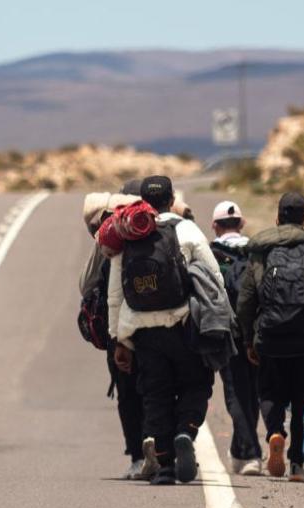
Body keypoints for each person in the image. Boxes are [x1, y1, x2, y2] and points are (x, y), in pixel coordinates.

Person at [107, 175, 222, 485]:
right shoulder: (186, 230)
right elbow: (214, 278)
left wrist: (119, 340)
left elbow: (115, 294)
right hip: (184, 327)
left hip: (144, 332)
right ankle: (186, 429)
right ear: (172, 200)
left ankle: (166, 467)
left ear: (143, 202)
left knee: (155, 396)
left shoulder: (129, 233)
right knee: (196, 385)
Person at [236, 192, 304, 482]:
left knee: (270, 393)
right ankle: (297, 464)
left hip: (270, 337)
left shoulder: (262, 250)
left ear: (278, 217)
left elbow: (246, 299)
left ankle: (274, 433)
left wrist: (248, 338)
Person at [80, 180, 158, 480]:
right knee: (160, 388)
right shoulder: (167, 226)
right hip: (164, 323)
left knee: (128, 394)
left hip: (123, 328)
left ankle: (138, 456)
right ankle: (166, 448)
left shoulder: (113, 233)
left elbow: (87, 285)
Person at [209, 201, 262, 476]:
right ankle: (240, 450)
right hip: (257, 332)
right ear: (241, 224)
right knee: (251, 392)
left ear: (215, 226)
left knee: (235, 394)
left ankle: (252, 454)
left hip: (225, 331)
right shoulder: (257, 251)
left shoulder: (211, 253)